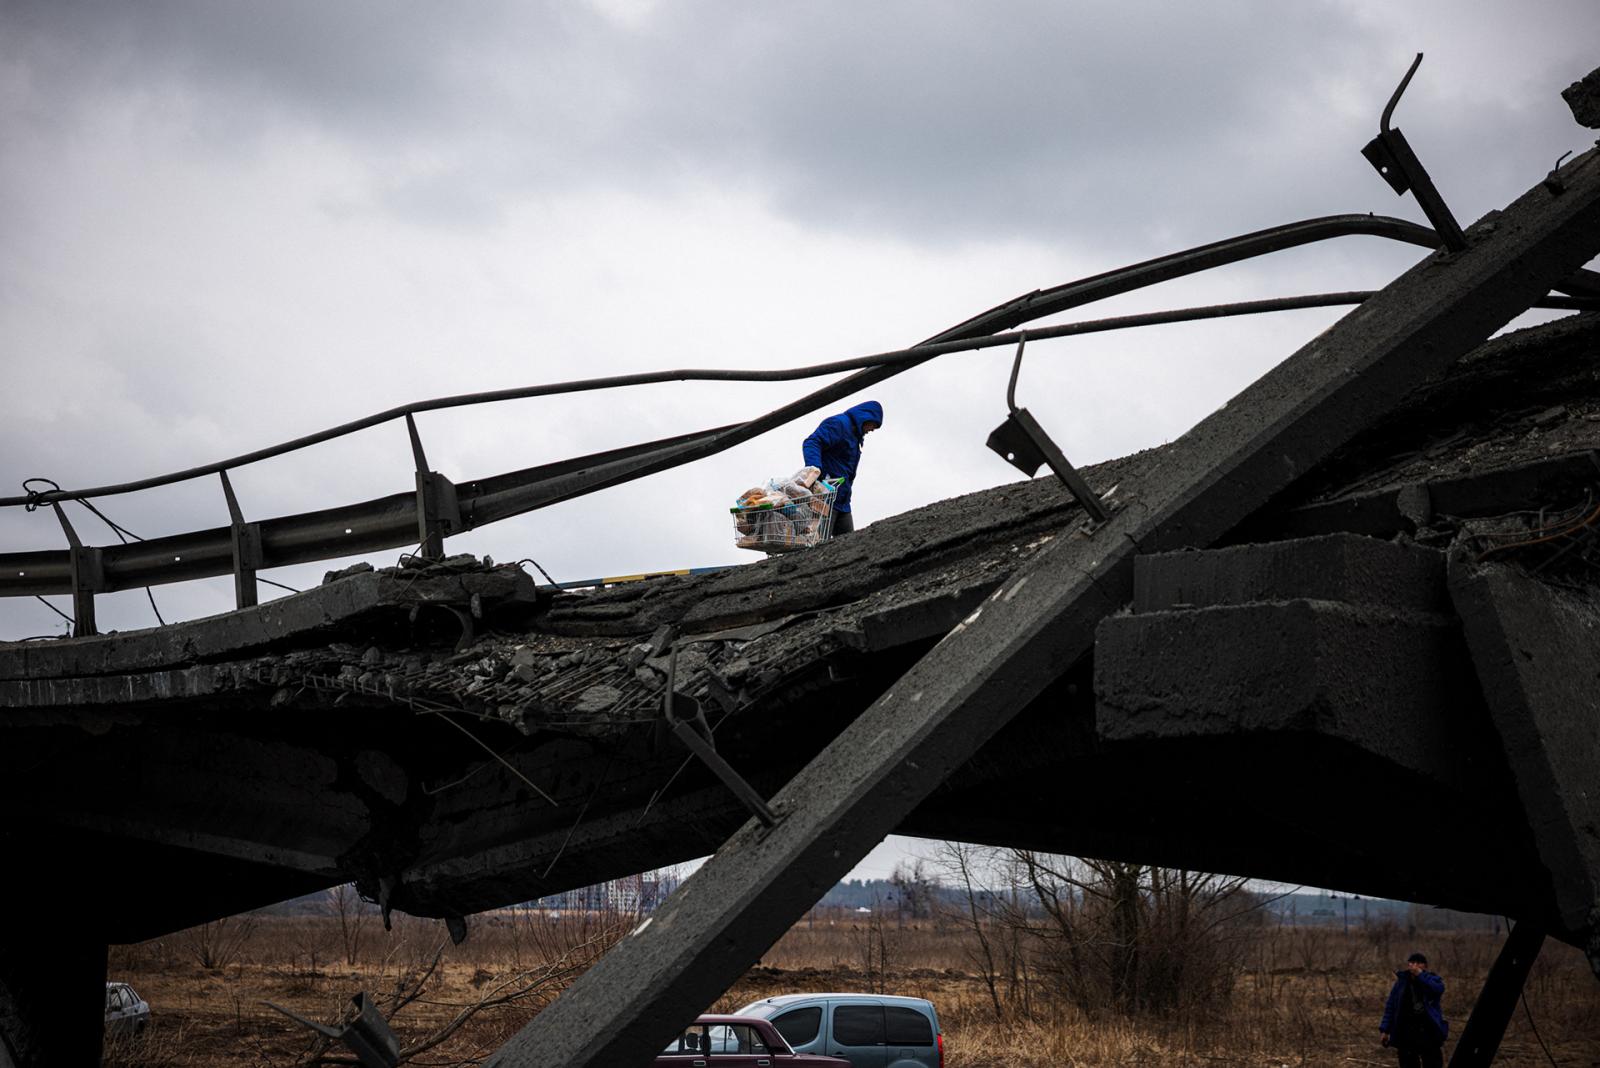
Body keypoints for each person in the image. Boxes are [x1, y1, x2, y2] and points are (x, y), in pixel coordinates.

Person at [801, 400, 882, 537]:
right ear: (866, 417)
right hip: (825, 497)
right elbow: (812, 442)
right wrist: (816, 470)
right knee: (817, 545)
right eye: (873, 425)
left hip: (843, 502)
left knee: (849, 546)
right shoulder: (839, 424)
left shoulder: (856, 437)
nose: (872, 429)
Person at [1380, 951, 1447, 1068]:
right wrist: (1385, 1030)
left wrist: (1420, 975)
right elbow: (1391, 1006)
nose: (1414, 965)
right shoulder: (1401, 982)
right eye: (1412, 962)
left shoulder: (1432, 979)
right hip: (1405, 1031)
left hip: (1428, 1031)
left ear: (1424, 966)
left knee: (1433, 1063)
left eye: (1418, 963)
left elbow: (1438, 989)